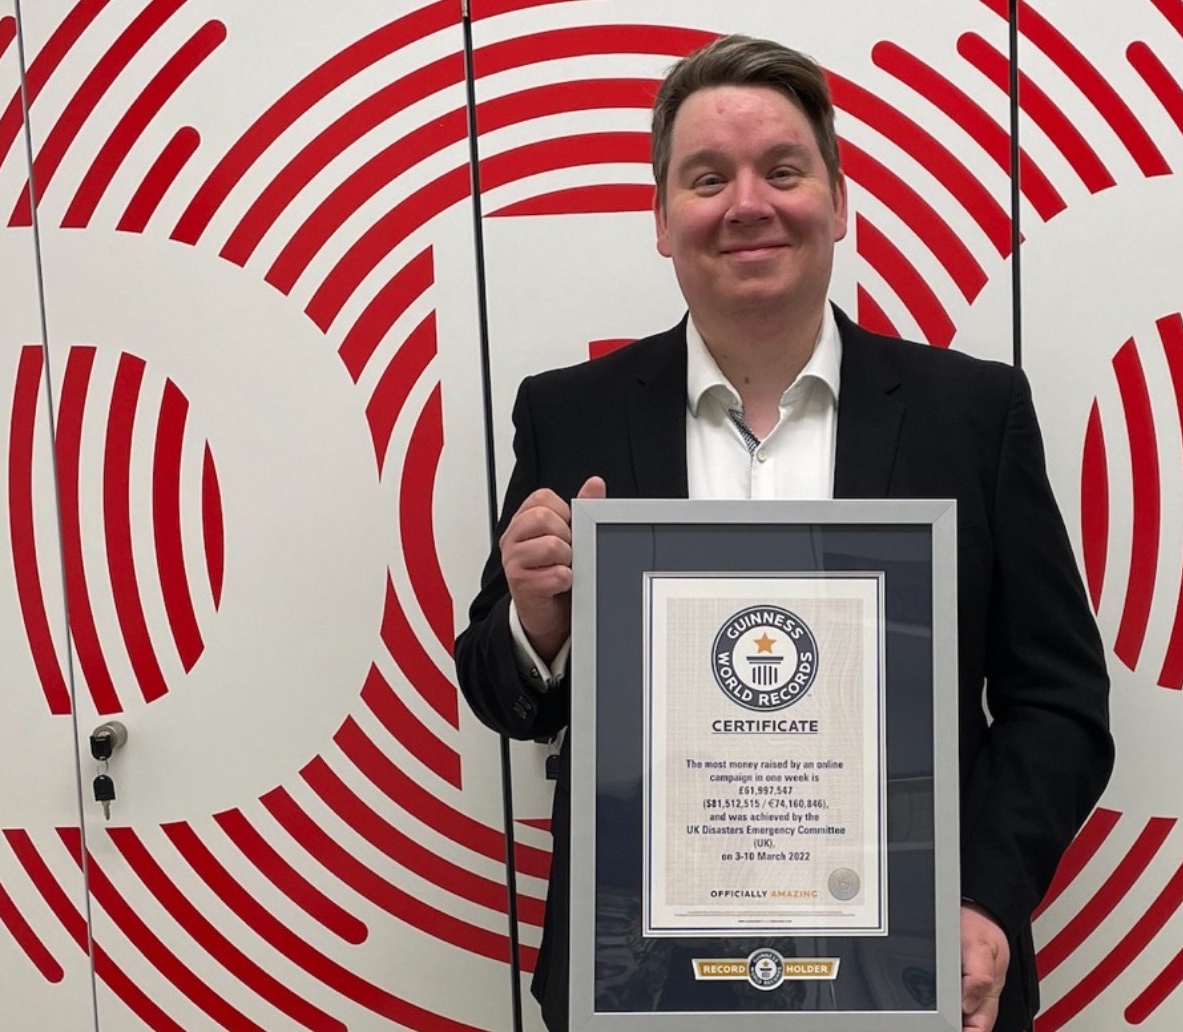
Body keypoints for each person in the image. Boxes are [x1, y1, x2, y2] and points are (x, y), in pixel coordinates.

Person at [454, 34, 1113, 1032]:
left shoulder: (972, 415)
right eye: (707, 178)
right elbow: (500, 693)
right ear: (662, 219)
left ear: (838, 202)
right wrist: (537, 623)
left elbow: (1057, 702)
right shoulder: (571, 415)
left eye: (783, 170)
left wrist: (984, 898)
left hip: (913, 971)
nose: (747, 204)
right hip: (640, 981)